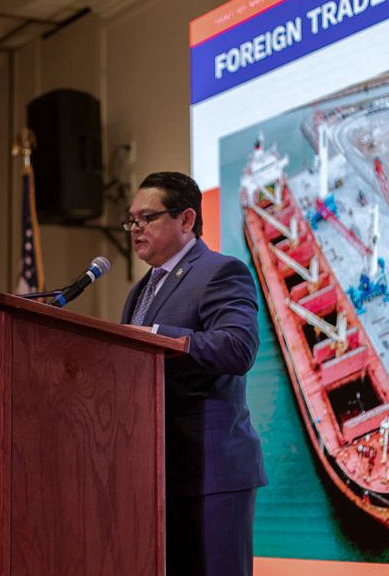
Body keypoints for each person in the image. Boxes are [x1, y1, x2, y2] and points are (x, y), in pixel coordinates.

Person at [121, 171, 266, 576]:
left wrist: (155, 335)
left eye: (147, 218)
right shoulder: (139, 291)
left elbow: (237, 348)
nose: (135, 230)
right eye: (131, 220)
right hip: (157, 474)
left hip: (211, 473)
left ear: (186, 220)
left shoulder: (221, 271)